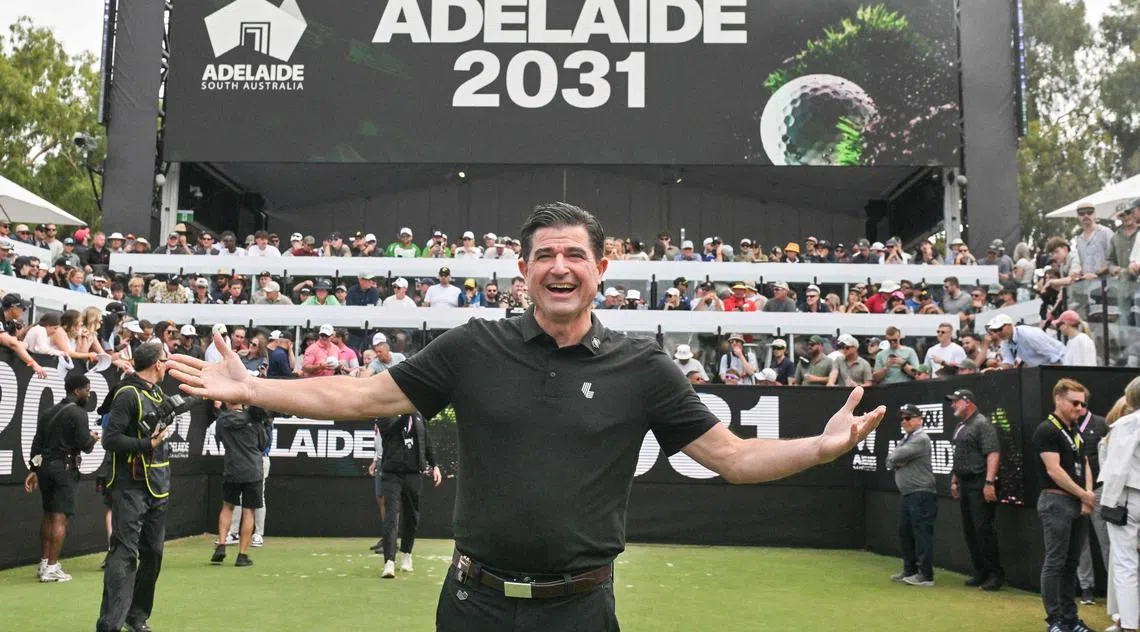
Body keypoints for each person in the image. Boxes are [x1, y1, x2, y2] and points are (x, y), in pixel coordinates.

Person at [168, 202, 884, 631]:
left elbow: (734, 457)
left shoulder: (644, 368)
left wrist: (817, 449)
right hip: (473, 605)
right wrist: (255, 389)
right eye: (545, 255)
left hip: (580, 611)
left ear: (602, 268)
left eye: (576, 253)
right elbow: (362, 395)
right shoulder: (474, 346)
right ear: (524, 272)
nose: (560, 266)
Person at [96, 343, 173, 632]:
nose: (166, 365)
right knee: (125, 554)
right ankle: (110, 624)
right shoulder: (127, 394)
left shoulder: (157, 393)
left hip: (158, 484)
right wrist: (148, 443)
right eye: (164, 360)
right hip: (129, 485)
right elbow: (110, 439)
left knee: (153, 553)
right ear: (155, 363)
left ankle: (137, 615)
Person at [25, 373, 100, 582]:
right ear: (77, 391)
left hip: (45, 469)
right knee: (59, 518)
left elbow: (36, 445)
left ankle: (44, 563)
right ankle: (51, 567)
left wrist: (34, 470)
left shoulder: (48, 412)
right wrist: (93, 438)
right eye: (87, 390)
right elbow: (85, 445)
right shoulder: (79, 414)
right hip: (64, 470)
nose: (88, 393)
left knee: (48, 514)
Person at [1033, 379, 1095, 632]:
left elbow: (1086, 463)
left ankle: (1070, 619)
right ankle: (1055, 621)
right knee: (1055, 562)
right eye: (1075, 402)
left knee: (1071, 564)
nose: (1080, 408)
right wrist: (1084, 494)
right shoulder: (1047, 430)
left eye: (1083, 404)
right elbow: (1054, 470)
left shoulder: (1074, 429)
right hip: (1055, 501)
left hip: (1076, 501)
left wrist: (1087, 496)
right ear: (1058, 399)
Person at [370, 412, 442, 578]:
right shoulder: (385, 414)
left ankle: (407, 554)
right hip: (391, 473)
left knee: (412, 516)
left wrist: (434, 465)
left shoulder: (418, 416)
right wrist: (405, 413)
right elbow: (392, 432)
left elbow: (426, 441)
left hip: (413, 473)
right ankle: (389, 562)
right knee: (391, 515)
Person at [947, 388, 1006, 591]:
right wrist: (955, 480)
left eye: (956, 401)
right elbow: (959, 454)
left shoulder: (982, 423)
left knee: (983, 530)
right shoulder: (962, 425)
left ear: (968, 402)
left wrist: (989, 482)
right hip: (965, 483)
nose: (952, 405)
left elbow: (993, 453)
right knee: (971, 530)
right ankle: (981, 571)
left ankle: (995, 574)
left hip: (980, 482)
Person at [1100, 378, 1140, 632]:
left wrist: (1108, 504)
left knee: (1125, 563)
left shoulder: (1125, 424)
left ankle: (1128, 625)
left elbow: (1115, 470)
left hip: (1129, 497)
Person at [211, 402, 272, 567]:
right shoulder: (255, 418)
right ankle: (242, 555)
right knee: (248, 512)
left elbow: (220, 438)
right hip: (253, 470)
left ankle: (221, 545)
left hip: (232, 468)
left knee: (227, 507)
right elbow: (263, 444)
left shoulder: (222, 421)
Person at [886, 403, 937, 587]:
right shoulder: (907, 438)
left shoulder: (921, 438)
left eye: (908, 418)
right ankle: (910, 570)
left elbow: (894, 457)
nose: (904, 421)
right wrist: (896, 459)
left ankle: (925, 575)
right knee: (905, 532)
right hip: (909, 494)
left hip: (922, 493)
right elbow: (891, 459)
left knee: (922, 534)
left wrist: (896, 459)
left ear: (919, 420)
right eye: (902, 418)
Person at [1075, 396, 1109, 607]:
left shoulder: (1101, 423)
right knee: (1081, 542)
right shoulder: (1066, 426)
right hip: (1075, 491)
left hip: (1099, 489)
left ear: (1084, 405)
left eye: (1078, 404)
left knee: (1107, 541)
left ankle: (1115, 587)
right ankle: (1086, 587)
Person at [987, 313, 1066, 368]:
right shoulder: (1006, 341)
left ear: (1010, 325)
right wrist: (997, 368)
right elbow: (1009, 362)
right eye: (995, 330)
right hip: (1046, 368)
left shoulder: (1027, 333)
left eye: (1000, 329)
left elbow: (1053, 354)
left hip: (1064, 361)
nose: (998, 333)